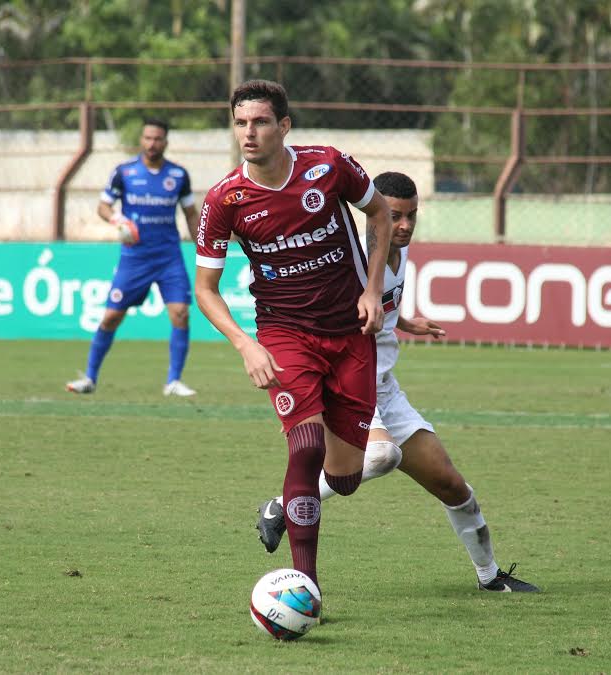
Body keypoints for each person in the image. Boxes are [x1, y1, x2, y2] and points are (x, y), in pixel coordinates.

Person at [254, 171, 539, 593]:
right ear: (372, 211)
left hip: (387, 389)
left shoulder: (397, 253)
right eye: (393, 215)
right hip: (351, 382)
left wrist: (405, 321)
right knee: (382, 454)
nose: (403, 225)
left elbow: (381, 304)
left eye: (411, 216)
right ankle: (282, 505)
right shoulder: (346, 261)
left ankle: (489, 576)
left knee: (452, 485)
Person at [195, 80, 394, 591]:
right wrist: (245, 343)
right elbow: (206, 289)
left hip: (349, 333)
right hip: (284, 334)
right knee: (304, 445)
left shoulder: (328, 166)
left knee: (346, 477)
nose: (248, 132)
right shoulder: (225, 200)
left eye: (260, 122)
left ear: (284, 126)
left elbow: (379, 213)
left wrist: (372, 289)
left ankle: (284, 505)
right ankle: (305, 587)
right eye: (240, 123)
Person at [66, 118, 200, 397]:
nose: (152, 144)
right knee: (111, 317)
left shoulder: (178, 175)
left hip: (168, 257)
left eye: (158, 139)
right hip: (134, 258)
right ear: (142, 140)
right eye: (148, 138)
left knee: (180, 313)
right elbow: (103, 206)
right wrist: (118, 219)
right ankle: (89, 378)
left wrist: (202, 243)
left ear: (166, 142)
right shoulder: (124, 172)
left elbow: (189, 213)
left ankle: (173, 381)